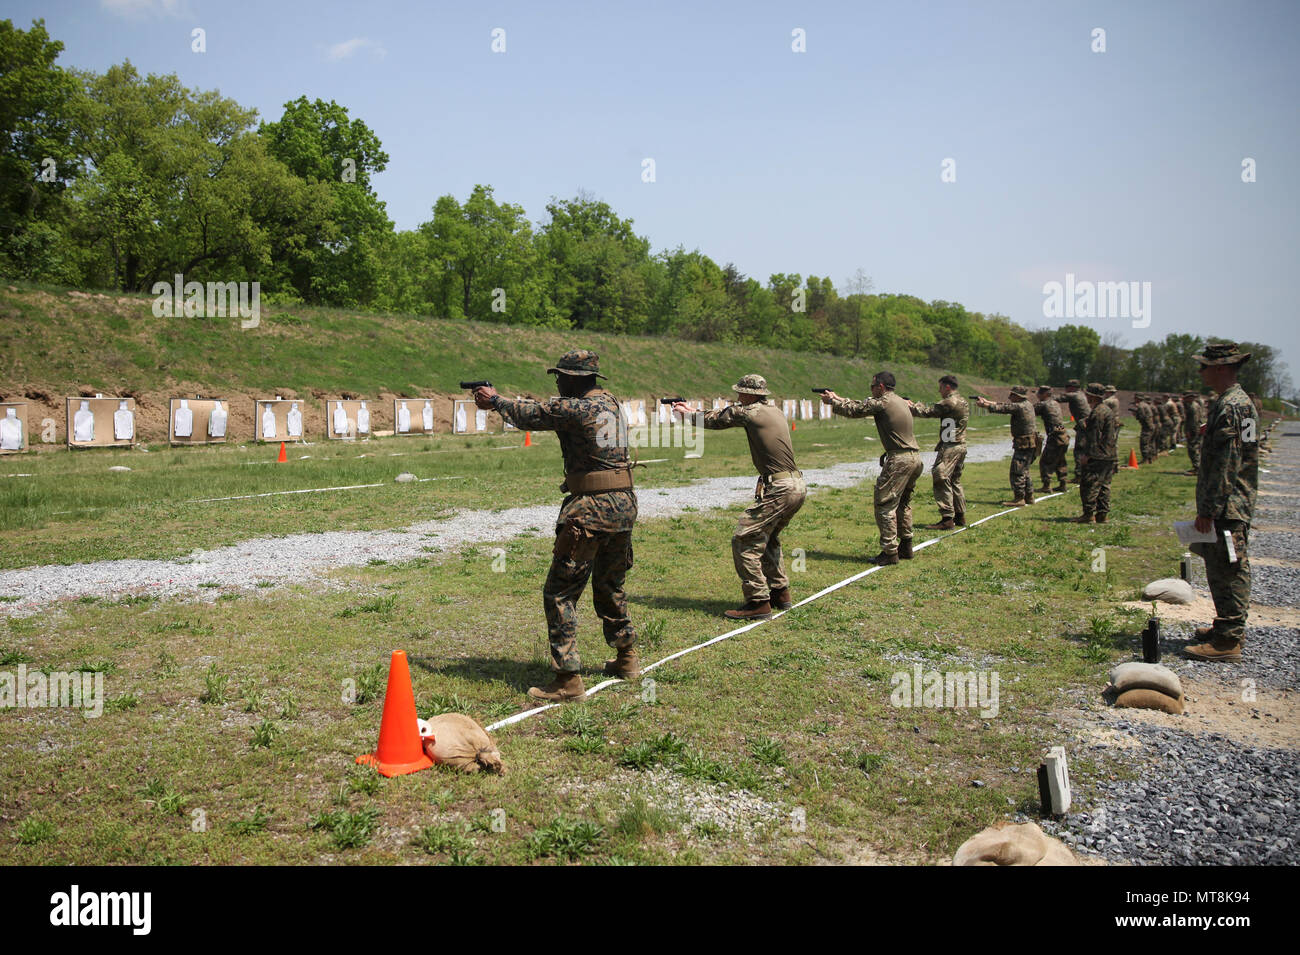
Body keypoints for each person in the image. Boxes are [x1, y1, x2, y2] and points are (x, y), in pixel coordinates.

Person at [473, 350, 639, 703]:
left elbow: (531, 415)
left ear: (575, 379)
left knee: (560, 592)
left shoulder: (576, 408)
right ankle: (627, 657)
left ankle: (568, 679)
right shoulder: (610, 402)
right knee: (610, 584)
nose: (558, 382)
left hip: (591, 510)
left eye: (561, 376)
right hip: (623, 504)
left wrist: (496, 401)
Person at [673, 375, 806, 620]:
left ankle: (758, 602)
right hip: (795, 484)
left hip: (780, 487)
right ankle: (780, 592)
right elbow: (725, 413)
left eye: (741, 393)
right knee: (768, 537)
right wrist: (692, 409)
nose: (738, 396)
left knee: (744, 538)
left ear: (750, 394)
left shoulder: (750, 412)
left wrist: (687, 415)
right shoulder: (772, 410)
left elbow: (720, 419)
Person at [1185, 343, 1258, 662]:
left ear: (1221, 368)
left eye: (1204, 366)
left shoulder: (1230, 405)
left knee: (1228, 567)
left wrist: (1209, 510)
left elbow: (1229, 461)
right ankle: (1225, 627)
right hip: (1237, 498)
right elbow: (1249, 446)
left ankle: (1228, 641)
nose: (1200, 372)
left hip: (1227, 504)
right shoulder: (1240, 402)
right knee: (1225, 564)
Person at [820, 372, 923, 565]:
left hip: (899, 459)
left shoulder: (883, 402)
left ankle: (890, 552)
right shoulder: (898, 400)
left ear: (881, 387)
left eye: (873, 386)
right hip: (914, 457)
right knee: (903, 503)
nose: (871, 389)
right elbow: (862, 403)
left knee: (884, 505)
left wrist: (832, 403)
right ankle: (906, 545)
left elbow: (856, 410)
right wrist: (838, 398)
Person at [907, 375, 968, 530]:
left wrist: (910, 406)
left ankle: (947, 518)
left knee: (940, 476)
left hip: (950, 446)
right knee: (954, 480)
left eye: (940, 387)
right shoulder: (962, 400)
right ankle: (960, 515)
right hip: (959, 445)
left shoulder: (950, 401)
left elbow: (927, 412)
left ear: (947, 387)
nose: (939, 390)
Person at [976, 386, 1039, 506]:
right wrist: (987, 401)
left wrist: (985, 406)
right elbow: (1004, 404)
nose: (1010, 397)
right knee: (1025, 471)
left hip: (1023, 443)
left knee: (1017, 471)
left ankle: (1019, 498)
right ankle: (1029, 497)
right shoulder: (1027, 404)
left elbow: (1003, 408)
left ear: (1018, 396)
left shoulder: (1019, 406)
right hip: (1029, 442)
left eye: (1012, 395)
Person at [1072, 383, 1118, 524]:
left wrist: (1088, 455)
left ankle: (1088, 514)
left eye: (1087, 395)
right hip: (1109, 454)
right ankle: (1102, 515)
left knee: (1089, 485)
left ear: (1091, 396)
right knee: (1104, 485)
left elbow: (1095, 437)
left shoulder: (1098, 412)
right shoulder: (1106, 410)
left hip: (1098, 455)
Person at [1034, 385, 1070, 494]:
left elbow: (1028, 411)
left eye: (1039, 393)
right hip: (1063, 436)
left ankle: (1046, 485)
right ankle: (1063, 484)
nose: (1037, 395)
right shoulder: (1055, 403)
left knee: (1045, 462)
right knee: (1060, 461)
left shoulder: (1043, 404)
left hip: (1055, 437)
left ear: (1045, 394)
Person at [1057, 380, 1090, 482]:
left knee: (1079, 451)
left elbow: (1059, 398)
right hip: (1087, 425)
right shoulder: (1081, 394)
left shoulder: (1074, 395)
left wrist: (1045, 396)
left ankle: (1079, 475)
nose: (1066, 389)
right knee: (1087, 450)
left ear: (1072, 388)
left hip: (1084, 426)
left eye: (1067, 387)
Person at [1181, 391, 1205, 475]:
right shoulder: (1195, 405)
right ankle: (1198, 467)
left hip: (1193, 430)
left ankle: (1197, 468)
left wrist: (1189, 431)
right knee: (1197, 448)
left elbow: (1193, 421)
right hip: (1197, 428)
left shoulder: (1192, 407)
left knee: (1193, 449)